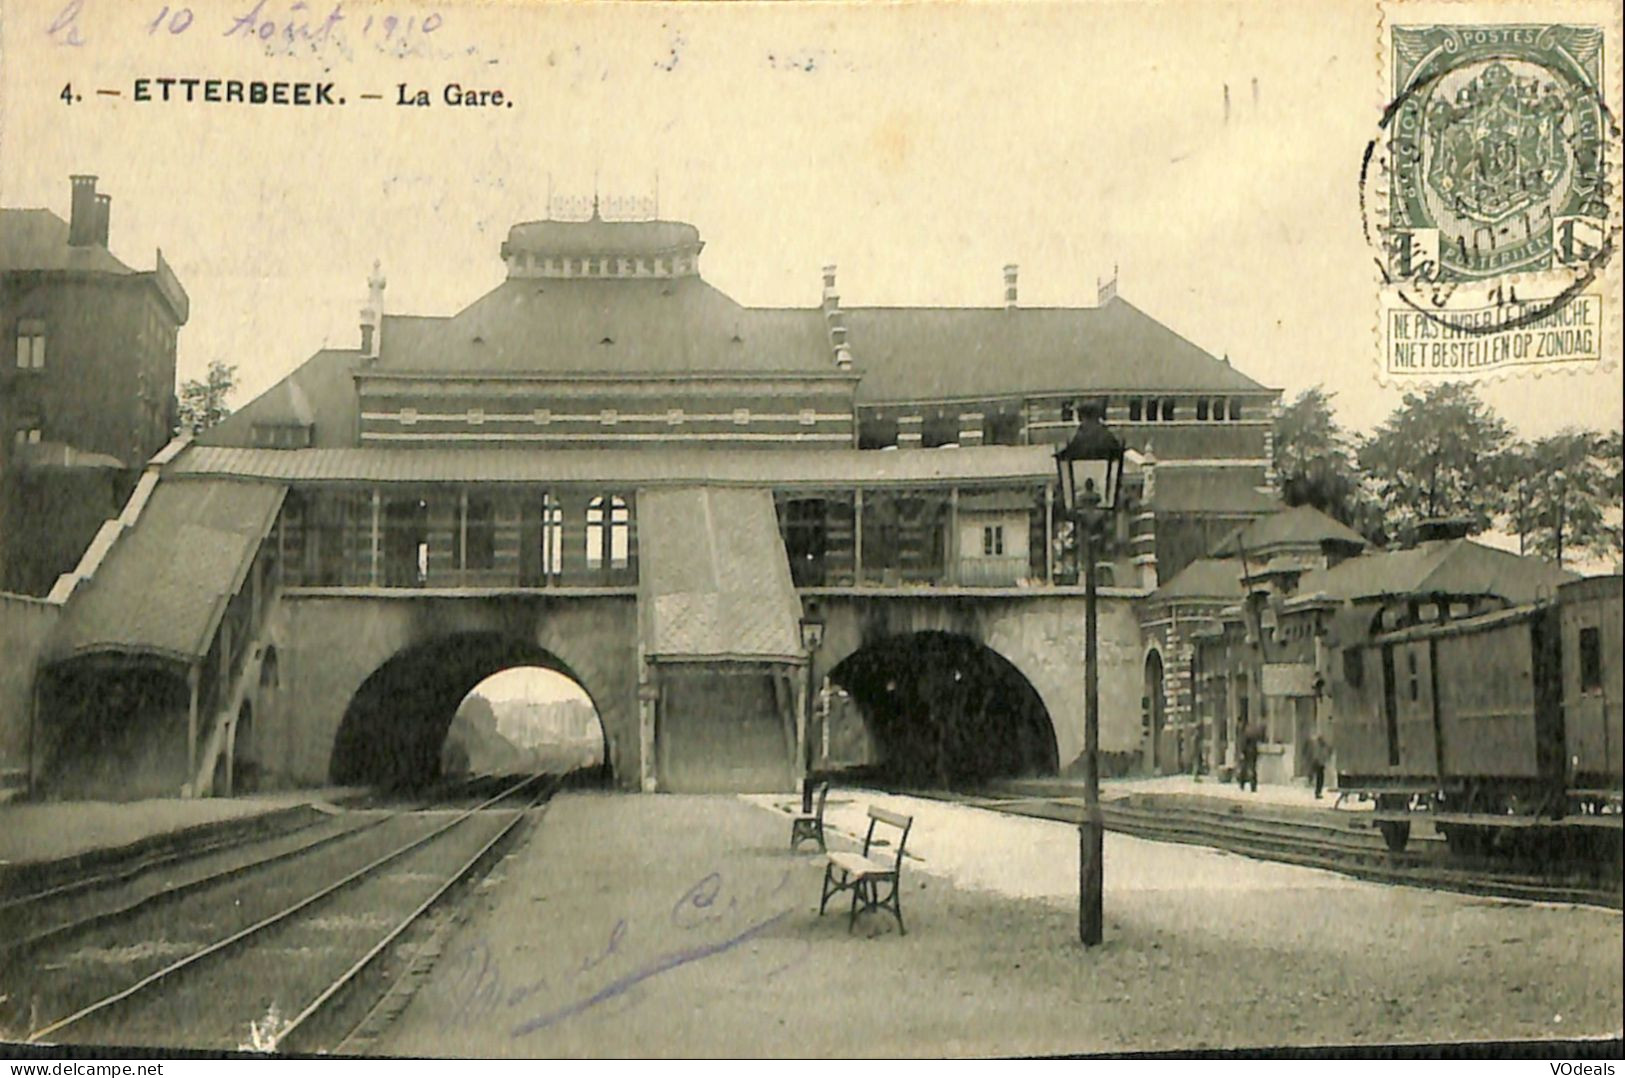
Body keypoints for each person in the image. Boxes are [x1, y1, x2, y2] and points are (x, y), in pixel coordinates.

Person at [1309, 732, 1331, 800]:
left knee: (1319, 779)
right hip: (1318, 763)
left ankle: (1317, 792)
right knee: (1319, 779)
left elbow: (1324, 755)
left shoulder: (1320, 747)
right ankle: (1317, 792)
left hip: (1319, 763)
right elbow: (1319, 755)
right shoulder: (1319, 747)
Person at [1239, 722, 1260, 793]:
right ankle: (1253, 786)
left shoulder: (1245, 734)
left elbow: (1243, 744)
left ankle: (1243, 784)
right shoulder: (1253, 734)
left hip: (1247, 753)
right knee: (1252, 769)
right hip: (1253, 753)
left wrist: (1242, 752)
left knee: (1244, 769)